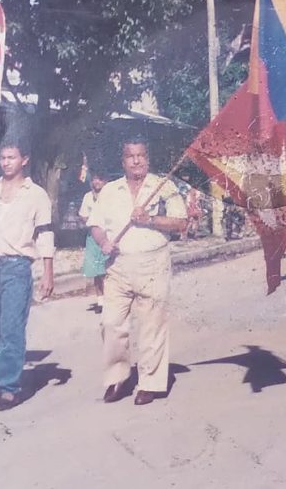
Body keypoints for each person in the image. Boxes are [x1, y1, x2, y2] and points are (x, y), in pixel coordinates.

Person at [88, 139, 187, 406]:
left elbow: (181, 222)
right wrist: (103, 242)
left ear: (148, 159)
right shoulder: (110, 190)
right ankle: (117, 378)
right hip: (118, 265)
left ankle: (149, 383)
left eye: (141, 155)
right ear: (123, 161)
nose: (136, 160)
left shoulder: (163, 187)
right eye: (130, 156)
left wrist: (151, 220)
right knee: (111, 323)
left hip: (153, 263)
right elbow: (95, 224)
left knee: (152, 325)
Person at [0, 138, 55, 412]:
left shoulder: (36, 195)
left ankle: (9, 387)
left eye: (12, 158)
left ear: (24, 160)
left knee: (11, 328)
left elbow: (45, 234)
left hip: (17, 268)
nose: (6, 163)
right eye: (3, 158)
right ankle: (1, 369)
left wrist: (48, 273)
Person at [79, 170, 110, 312]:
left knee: (108, 269)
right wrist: (92, 222)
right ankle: (100, 301)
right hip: (93, 237)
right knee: (96, 271)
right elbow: (83, 215)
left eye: (100, 179)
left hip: (109, 236)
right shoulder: (88, 196)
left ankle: (112, 300)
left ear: (106, 181)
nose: (97, 182)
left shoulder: (111, 195)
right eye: (94, 179)